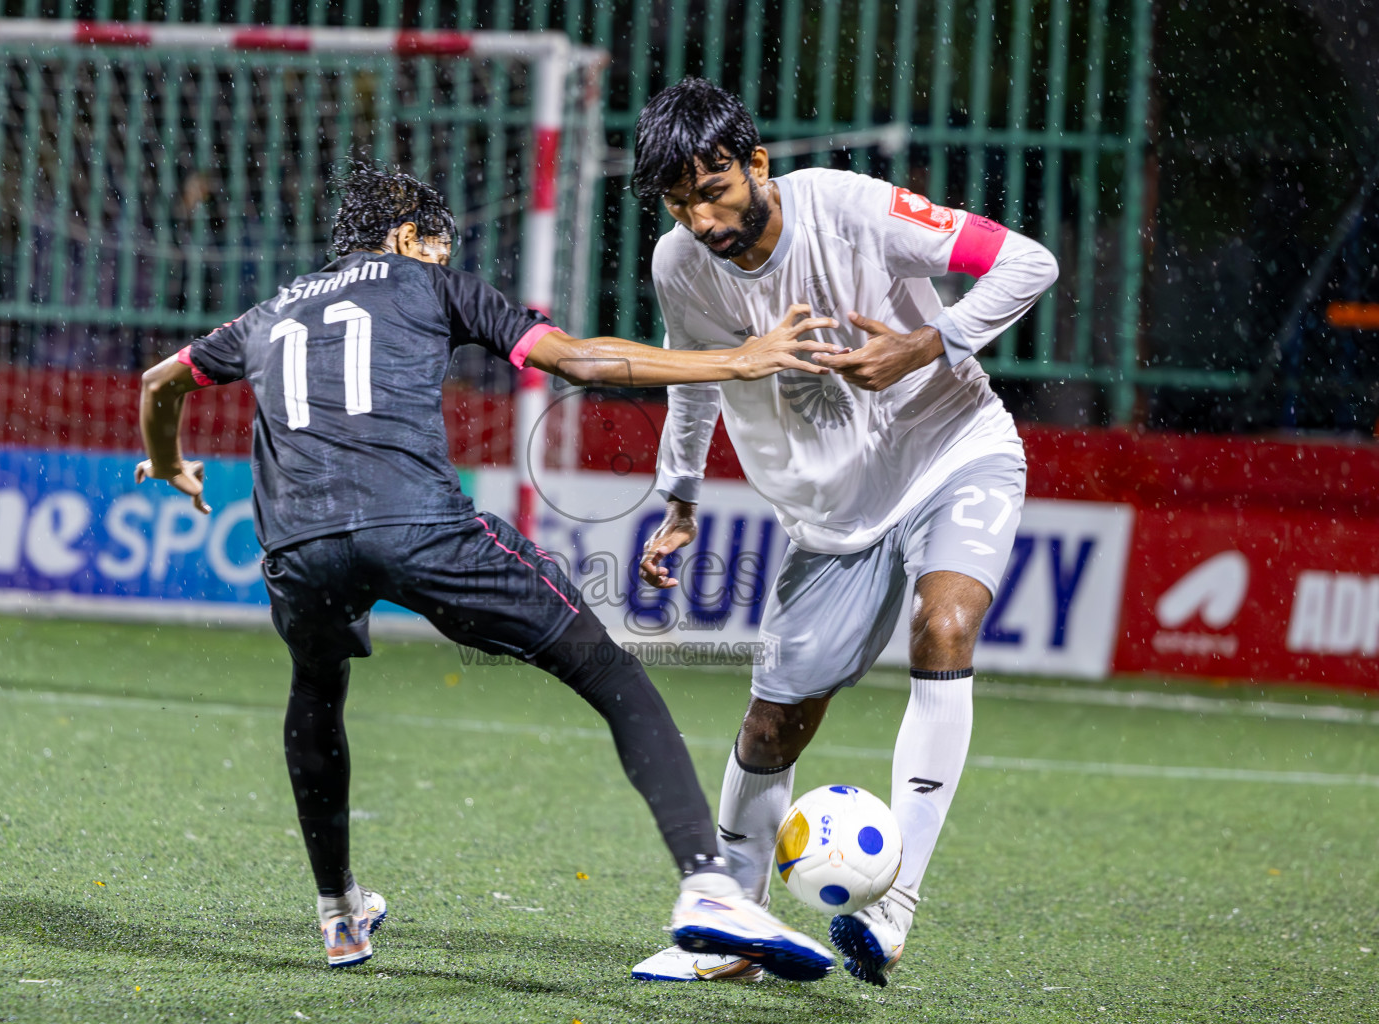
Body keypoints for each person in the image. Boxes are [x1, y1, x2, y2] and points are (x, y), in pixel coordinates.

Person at [134, 162, 844, 977]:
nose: (440, 256)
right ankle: (706, 884)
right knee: (610, 674)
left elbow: (162, 382)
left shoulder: (267, 313)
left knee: (316, 690)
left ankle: (338, 913)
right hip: (419, 527)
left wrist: (172, 462)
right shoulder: (433, 287)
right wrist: (738, 360)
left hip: (299, 547)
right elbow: (582, 362)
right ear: (405, 237)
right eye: (435, 243)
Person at [628, 79, 1059, 986]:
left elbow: (1029, 261)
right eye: (679, 204)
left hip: (953, 451)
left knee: (944, 629)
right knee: (775, 723)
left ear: (756, 163)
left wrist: (930, 340)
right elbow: (695, 377)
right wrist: (680, 498)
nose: (701, 221)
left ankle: (894, 910)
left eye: (713, 192)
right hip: (829, 518)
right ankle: (737, 924)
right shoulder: (680, 265)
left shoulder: (854, 208)